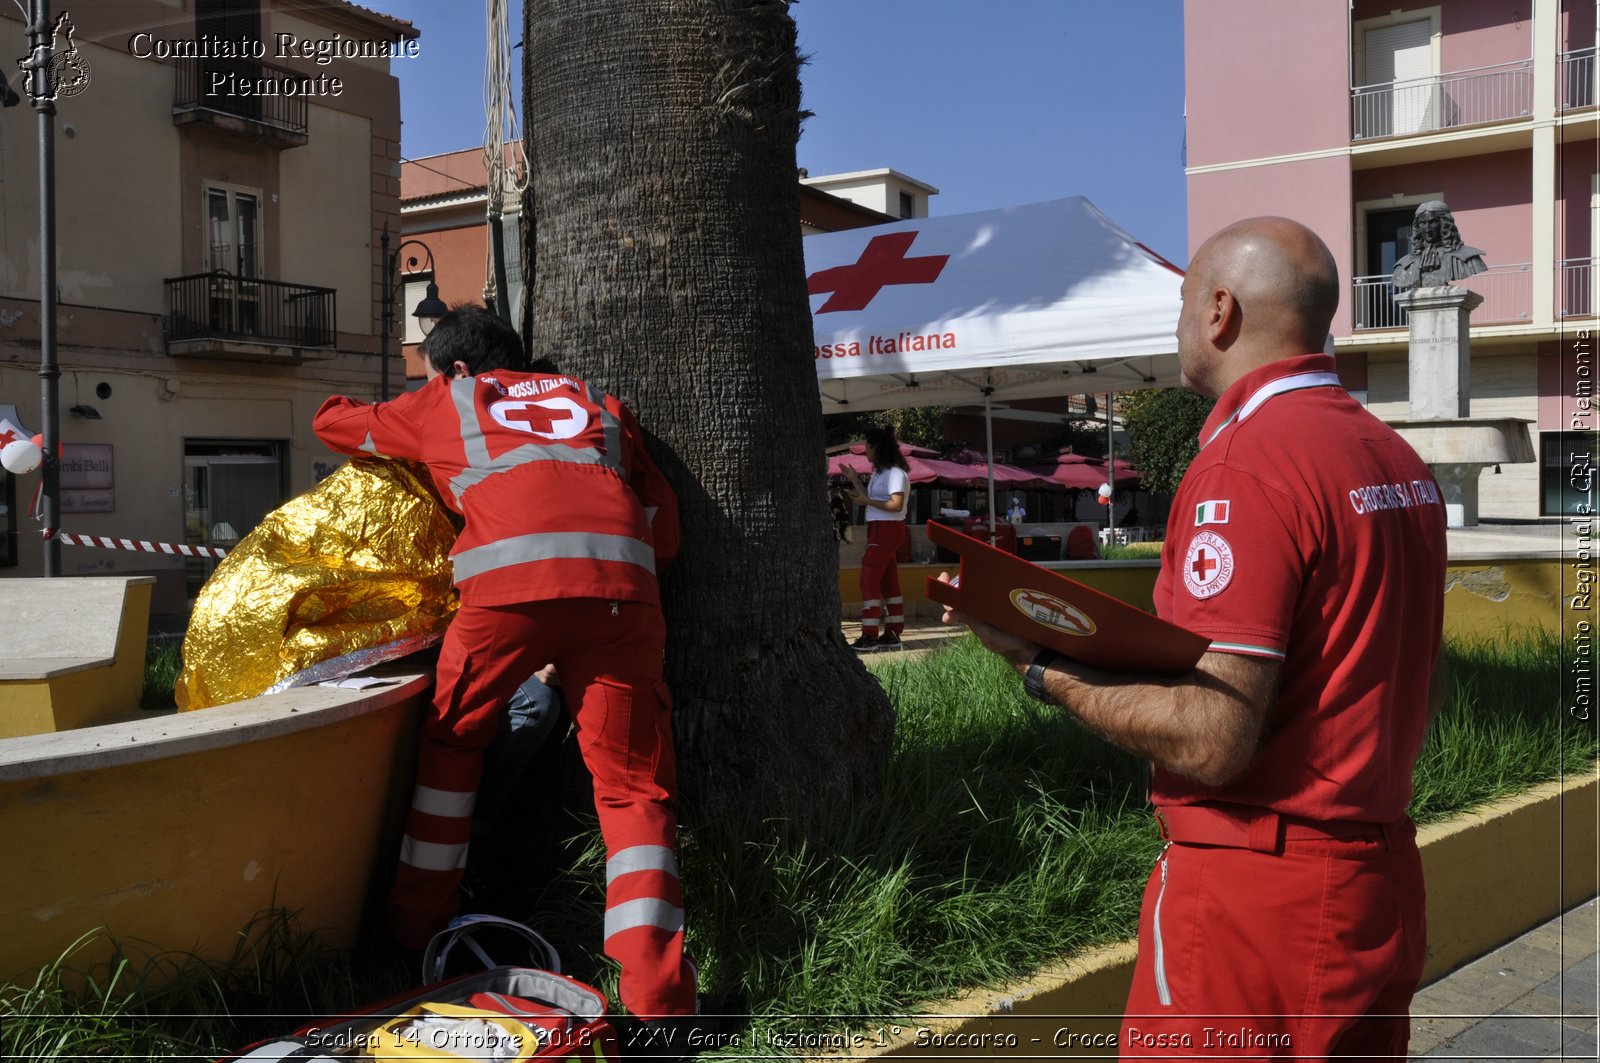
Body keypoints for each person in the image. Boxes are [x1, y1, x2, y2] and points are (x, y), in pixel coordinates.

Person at [943, 217, 1447, 1061]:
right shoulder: (1394, 459)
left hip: (1257, 898)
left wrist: (1043, 669)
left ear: (1220, 312)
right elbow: (1407, 681)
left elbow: (1213, 739)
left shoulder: (1246, 464)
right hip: (1375, 877)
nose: (1178, 323)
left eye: (1183, 303)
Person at [312, 306, 697, 1023]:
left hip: (505, 592)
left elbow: (334, 423)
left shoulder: (450, 399)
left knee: (453, 744)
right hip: (622, 593)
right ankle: (660, 1005)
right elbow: (661, 523)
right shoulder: (597, 402)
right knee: (634, 792)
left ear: (457, 369)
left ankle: (419, 936)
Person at [840, 425, 909, 651]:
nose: (865, 451)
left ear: (877, 448)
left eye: (867, 446)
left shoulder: (895, 473)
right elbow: (869, 498)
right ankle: (892, 633)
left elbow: (895, 504)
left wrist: (866, 502)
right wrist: (854, 479)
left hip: (886, 529)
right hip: (882, 528)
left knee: (868, 579)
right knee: (889, 582)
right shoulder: (881, 472)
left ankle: (869, 636)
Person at [1391, 200, 1487, 292]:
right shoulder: (1404, 265)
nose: (1427, 229)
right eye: (1423, 223)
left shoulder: (1468, 258)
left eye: (1433, 222)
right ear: (1417, 227)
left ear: (1445, 224)